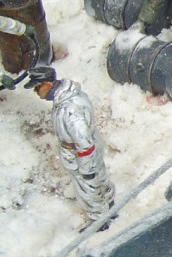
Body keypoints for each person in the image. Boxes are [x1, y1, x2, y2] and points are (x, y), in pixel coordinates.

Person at [25, 66, 115, 224]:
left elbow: (83, 141)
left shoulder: (70, 109)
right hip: (90, 146)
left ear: (47, 84)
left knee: (87, 187)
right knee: (100, 178)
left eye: (37, 87)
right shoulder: (70, 97)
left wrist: (86, 168)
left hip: (80, 154)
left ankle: (99, 220)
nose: (36, 91)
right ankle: (110, 203)